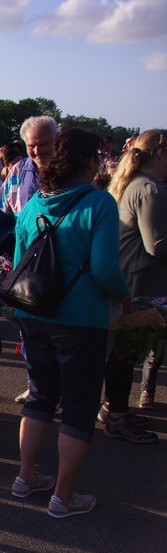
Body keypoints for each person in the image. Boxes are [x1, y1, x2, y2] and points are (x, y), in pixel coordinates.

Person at [11, 128, 129, 518]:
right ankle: (63, 496)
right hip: (81, 319)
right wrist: (126, 299)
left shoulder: (33, 204)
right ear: (90, 162)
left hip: (34, 313)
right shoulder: (99, 202)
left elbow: (19, 264)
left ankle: (26, 476)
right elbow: (106, 270)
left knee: (40, 396)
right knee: (78, 406)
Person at [97, 129, 167, 441]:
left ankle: (114, 409)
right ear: (161, 153)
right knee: (126, 351)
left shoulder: (135, 183)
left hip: (131, 277)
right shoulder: (149, 188)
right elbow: (157, 244)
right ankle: (116, 414)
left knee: (125, 351)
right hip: (140, 280)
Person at [0, 116, 59, 404]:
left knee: (58, 330)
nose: (38, 151)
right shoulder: (18, 171)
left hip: (60, 263)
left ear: (56, 142)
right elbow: (1, 212)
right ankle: (38, 386)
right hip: (25, 262)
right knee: (30, 328)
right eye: (32, 146)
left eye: (44, 144)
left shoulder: (70, 170)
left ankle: (57, 389)